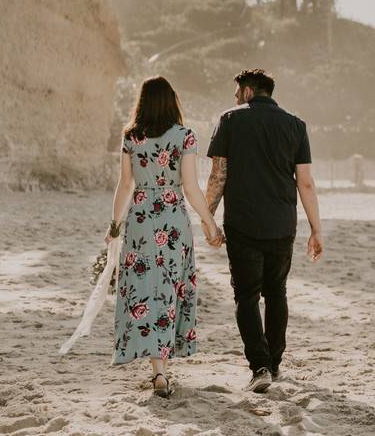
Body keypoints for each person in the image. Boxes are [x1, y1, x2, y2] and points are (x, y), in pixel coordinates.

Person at [205, 68, 323, 393]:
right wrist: (316, 229)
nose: (235, 98)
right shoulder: (295, 125)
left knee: (245, 296)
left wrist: (207, 218)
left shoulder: (229, 119)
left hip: (242, 223)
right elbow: (307, 183)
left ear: (246, 91)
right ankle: (274, 364)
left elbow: (218, 174)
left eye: (236, 92)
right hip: (282, 224)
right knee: (276, 294)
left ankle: (259, 367)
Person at [105, 76, 220, 398]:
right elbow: (191, 187)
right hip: (172, 222)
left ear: (142, 101)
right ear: (172, 101)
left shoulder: (131, 136)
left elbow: (124, 185)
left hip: (140, 220)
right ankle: (162, 369)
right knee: (169, 289)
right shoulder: (184, 136)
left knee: (144, 289)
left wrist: (114, 225)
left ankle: (158, 371)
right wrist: (209, 222)